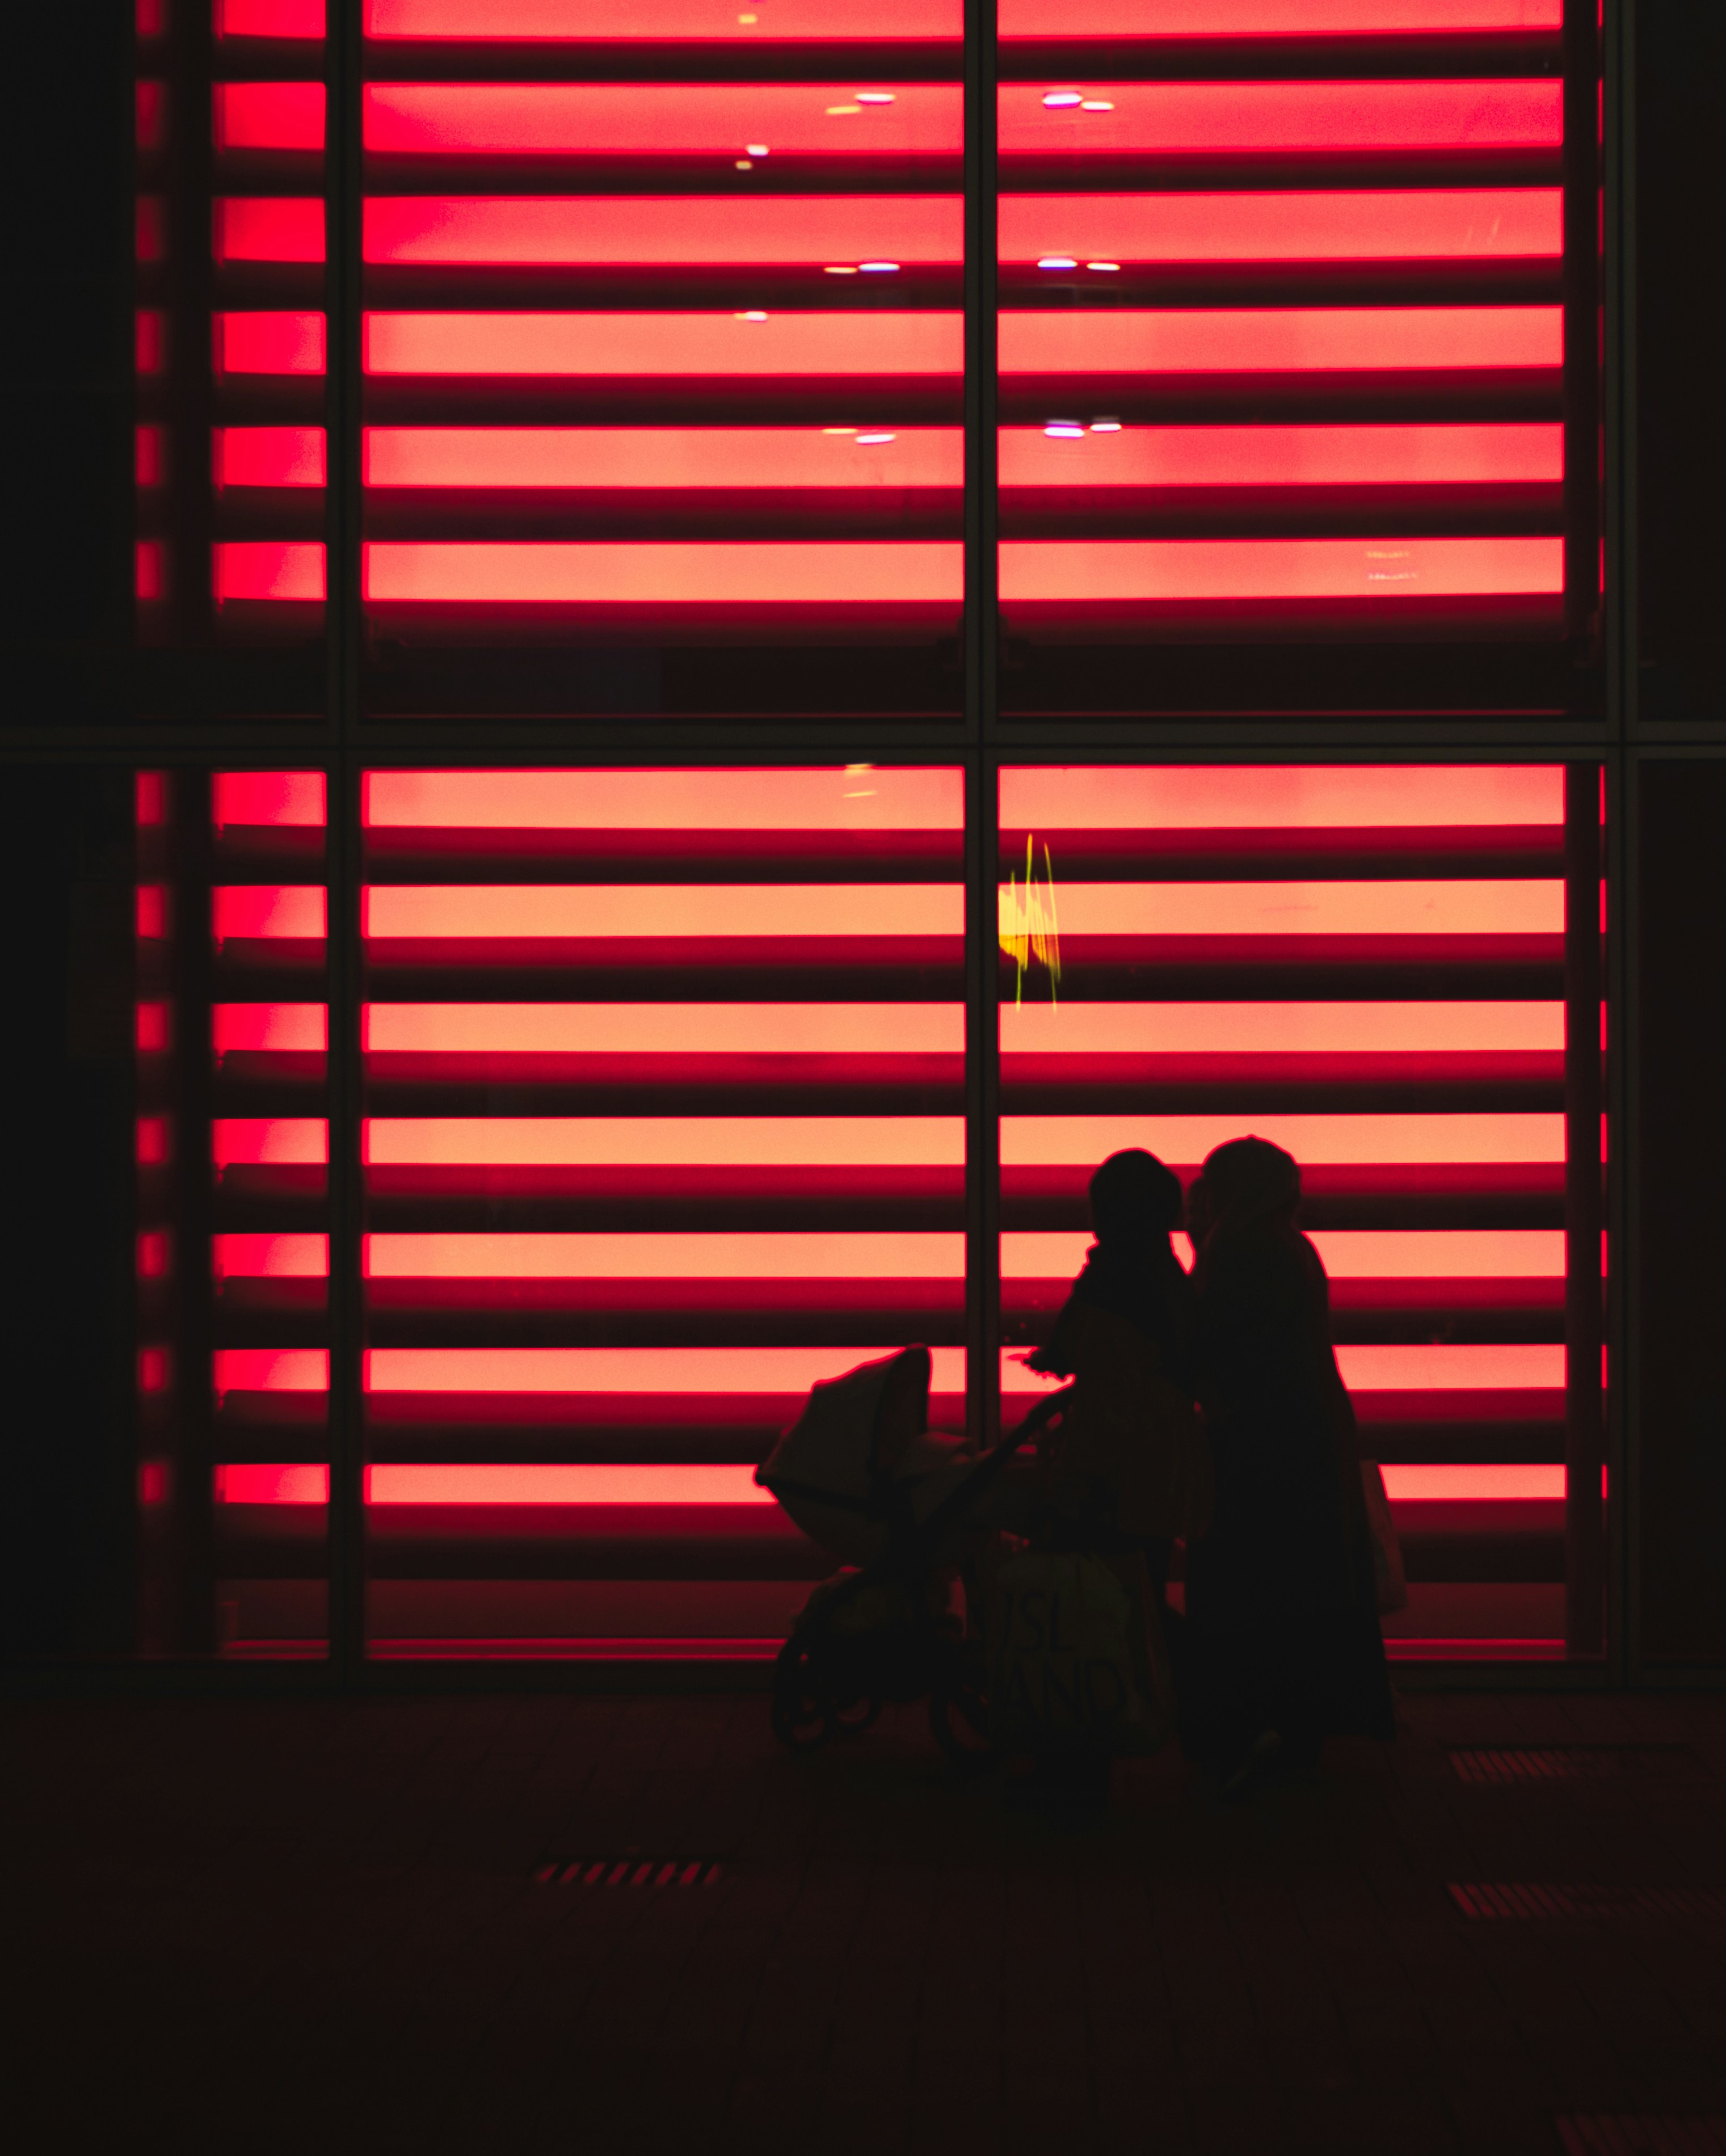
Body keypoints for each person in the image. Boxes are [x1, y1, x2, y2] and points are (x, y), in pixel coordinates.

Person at [1178, 1136, 1394, 1797]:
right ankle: (1297, 1728)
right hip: (1304, 1436)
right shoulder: (1288, 1249)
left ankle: (1244, 1727)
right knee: (1305, 1581)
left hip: (1256, 1446)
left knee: (1249, 1580)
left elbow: (1210, 1343)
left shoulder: (1242, 1254)